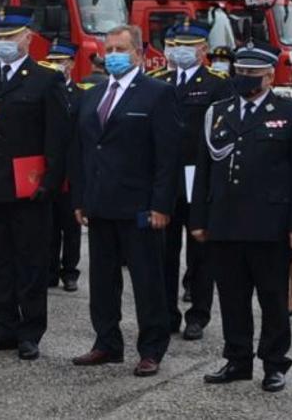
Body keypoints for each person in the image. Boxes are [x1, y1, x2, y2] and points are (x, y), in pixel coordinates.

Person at [196, 44, 292, 393]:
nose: (244, 79)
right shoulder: (218, 112)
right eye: (240, 72)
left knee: (272, 297)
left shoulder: (291, 114)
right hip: (225, 221)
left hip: (270, 225)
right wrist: (199, 219)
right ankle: (237, 358)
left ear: (269, 76)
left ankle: (275, 363)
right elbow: (205, 171)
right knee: (232, 296)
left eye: (252, 74)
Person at [0, 6, 72, 361]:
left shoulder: (45, 79)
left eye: (10, 37)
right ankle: (4, 326)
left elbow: (57, 137)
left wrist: (50, 183)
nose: (3, 43)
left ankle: (30, 331)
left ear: (28, 38)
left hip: (30, 189)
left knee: (31, 262)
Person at [70, 25, 183, 376]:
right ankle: (106, 342)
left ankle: (151, 348)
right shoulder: (94, 93)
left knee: (147, 281)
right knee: (102, 281)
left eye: (120, 48)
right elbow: (84, 151)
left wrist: (162, 205)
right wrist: (81, 198)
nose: (112, 54)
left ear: (138, 54)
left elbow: (168, 156)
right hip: (100, 204)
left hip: (140, 207)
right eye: (108, 48)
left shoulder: (157, 93)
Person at [148, 19, 229, 341]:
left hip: (200, 178)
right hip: (166, 178)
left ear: (203, 49)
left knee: (200, 250)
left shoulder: (217, 84)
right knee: (164, 251)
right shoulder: (158, 80)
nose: (178, 51)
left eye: (186, 46)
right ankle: (167, 312)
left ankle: (198, 314)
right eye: (175, 45)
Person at [43, 40, 86, 294]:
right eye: (52, 60)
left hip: (71, 168)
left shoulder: (81, 93)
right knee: (48, 225)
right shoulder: (47, 91)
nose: (56, 65)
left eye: (60, 60)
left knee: (71, 224)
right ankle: (49, 270)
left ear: (71, 63)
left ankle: (70, 271)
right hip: (50, 166)